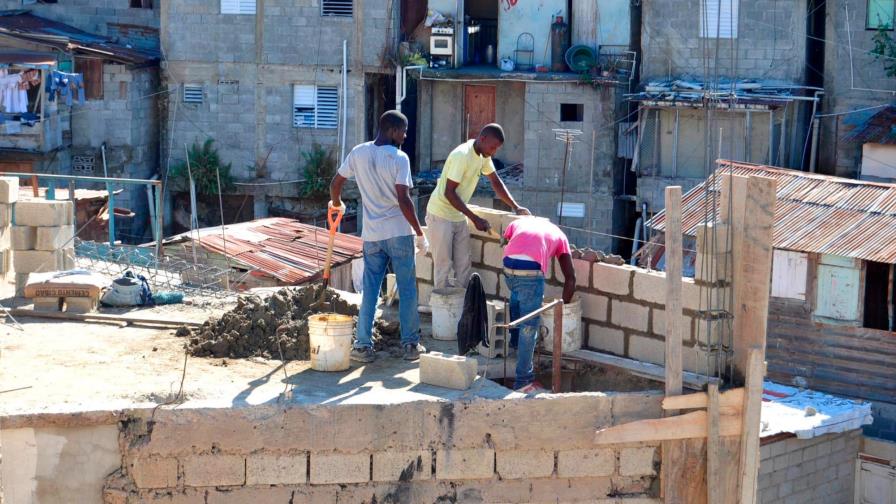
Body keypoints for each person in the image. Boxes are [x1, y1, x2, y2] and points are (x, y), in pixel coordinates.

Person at [330, 110, 429, 363]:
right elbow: (404, 200)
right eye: (403, 131)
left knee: (370, 291)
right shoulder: (399, 158)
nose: (405, 136)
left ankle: (362, 346)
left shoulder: (358, 152)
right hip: (398, 232)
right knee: (407, 290)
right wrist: (419, 233)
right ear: (393, 130)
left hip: (372, 235)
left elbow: (336, 183)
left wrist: (337, 203)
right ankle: (410, 346)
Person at [425, 124, 530, 290]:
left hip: (458, 216)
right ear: (482, 139)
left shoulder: (483, 156)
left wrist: (516, 207)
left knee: (464, 265)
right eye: (492, 147)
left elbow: (496, 182)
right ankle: (442, 312)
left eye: (496, 149)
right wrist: (474, 218)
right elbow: (449, 193)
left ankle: (462, 310)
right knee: (443, 265)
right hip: (440, 215)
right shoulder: (462, 155)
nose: (494, 152)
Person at [502, 216, 576, 393]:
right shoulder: (561, 237)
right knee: (530, 326)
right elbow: (571, 279)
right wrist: (562, 309)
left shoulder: (521, 221)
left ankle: (515, 345)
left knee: (516, 300)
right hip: (530, 271)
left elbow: (507, 240)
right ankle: (523, 381)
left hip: (507, 267)